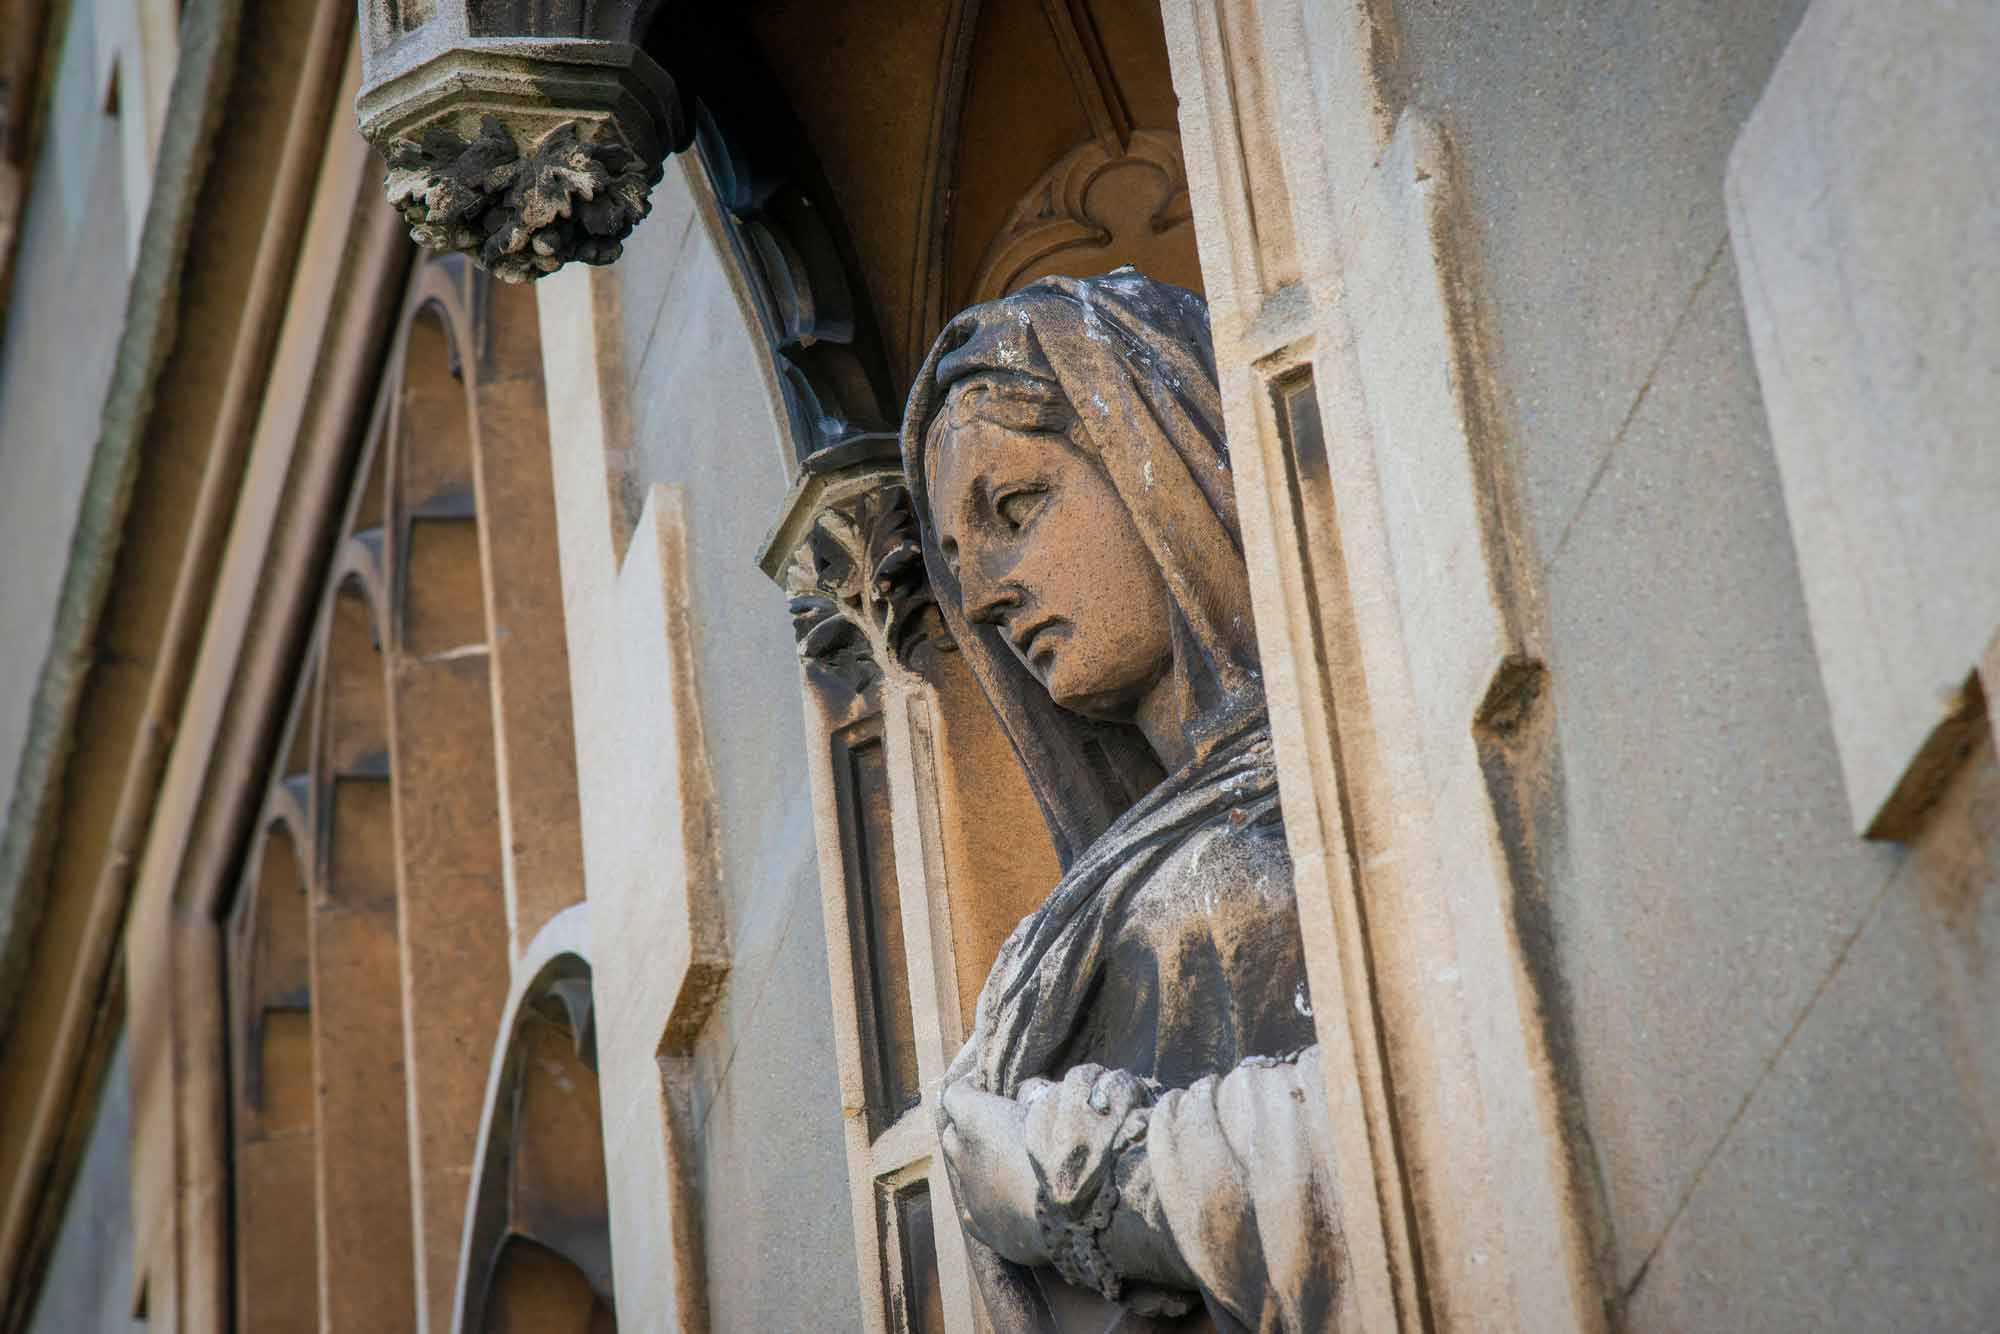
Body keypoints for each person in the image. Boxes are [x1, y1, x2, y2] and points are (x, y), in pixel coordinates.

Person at [902, 269, 1344, 1332]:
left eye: (1014, 507)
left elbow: (1399, 1114)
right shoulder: (1105, 887)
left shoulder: (1323, 794)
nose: (981, 593)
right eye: (955, 560)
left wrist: (1067, 1180)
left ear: (1155, 464)